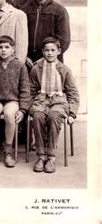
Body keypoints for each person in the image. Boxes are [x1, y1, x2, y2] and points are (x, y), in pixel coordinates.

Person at [29, 37, 80, 173]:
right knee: (38, 116)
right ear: (42, 51)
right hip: (41, 100)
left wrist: (72, 113)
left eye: (53, 50)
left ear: (59, 51)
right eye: (47, 50)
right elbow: (30, 91)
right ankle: (40, 156)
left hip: (59, 102)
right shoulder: (36, 69)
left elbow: (73, 93)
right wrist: (29, 107)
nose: (49, 53)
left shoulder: (65, 70)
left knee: (53, 116)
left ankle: (50, 157)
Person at [0, 35, 31, 167]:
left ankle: (8, 151)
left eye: (7, 47)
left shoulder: (20, 66)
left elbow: (25, 89)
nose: (3, 50)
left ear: (13, 49)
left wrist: (23, 109)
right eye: (0, 47)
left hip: (12, 100)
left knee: (9, 115)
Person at [21, 0, 71, 64]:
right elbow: (20, 36)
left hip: (51, 60)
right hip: (29, 61)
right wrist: (25, 56)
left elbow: (64, 40)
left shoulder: (59, 10)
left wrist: (47, 57)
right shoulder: (25, 9)